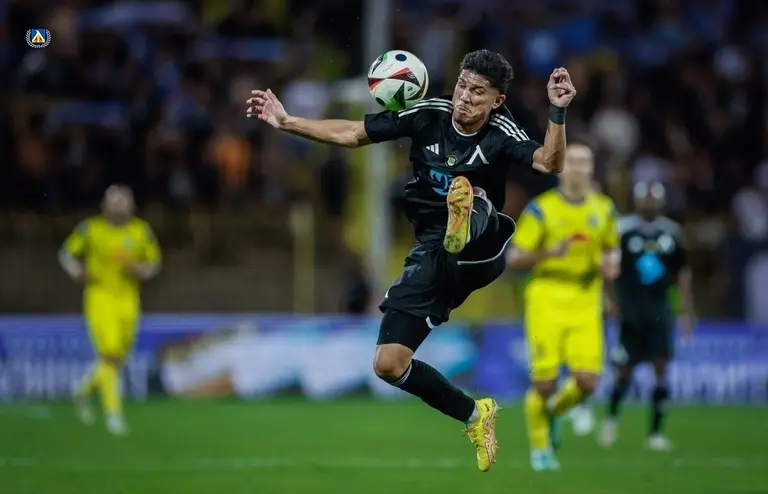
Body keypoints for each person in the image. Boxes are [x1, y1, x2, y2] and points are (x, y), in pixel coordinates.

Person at [246, 49, 576, 472]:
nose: (465, 97)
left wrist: (557, 111)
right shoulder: (427, 114)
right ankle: (475, 414)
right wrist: (287, 121)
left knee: (472, 194)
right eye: (462, 85)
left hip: (483, 248)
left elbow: (549, 162)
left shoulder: (501, 131)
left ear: (497, 101)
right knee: (388, 364)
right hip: (432, 251)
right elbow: (352, 133)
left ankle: (464, 216)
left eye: (478, 92)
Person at [507, 141, 620, 471]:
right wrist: (548, 253)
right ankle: (541, 449)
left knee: (588, 382)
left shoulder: (604, 209)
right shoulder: (542, 209)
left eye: (585, 162)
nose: (579, 169)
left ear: (591, 169)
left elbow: (611, 248)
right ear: (560, 169)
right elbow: (514, 257)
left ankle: (554, 411)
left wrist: (612, 266)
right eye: (572, 162)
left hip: (586, 299)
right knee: (544, 383)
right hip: (547, 296)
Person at [60, 185, 162, 436]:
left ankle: (84, 390)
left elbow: (154, 263)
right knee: (109, 355)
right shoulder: (90, 229)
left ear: (132, 206)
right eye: (115, 203)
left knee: (119, 357)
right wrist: (76, 270)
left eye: (124, 202)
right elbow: (66, 253)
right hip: (100, 298)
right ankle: (114, 415)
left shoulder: (141, 231)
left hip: (128, 300)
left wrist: (140, 270)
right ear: (104, 206)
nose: (119, 207)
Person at [599, 181, 693, 451]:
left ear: (661, 203)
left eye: (654, 199)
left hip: (659, 312)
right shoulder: (622, 230)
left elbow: (682, 272)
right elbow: (608, 268)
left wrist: (686, 309)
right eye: (645, 199)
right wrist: (610, 301)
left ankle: (655, 434)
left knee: (661, 369)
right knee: (624, 371)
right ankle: (611, 420)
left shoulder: (672, 233)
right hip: (630, 312)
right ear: (637, 201)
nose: (649, 203)